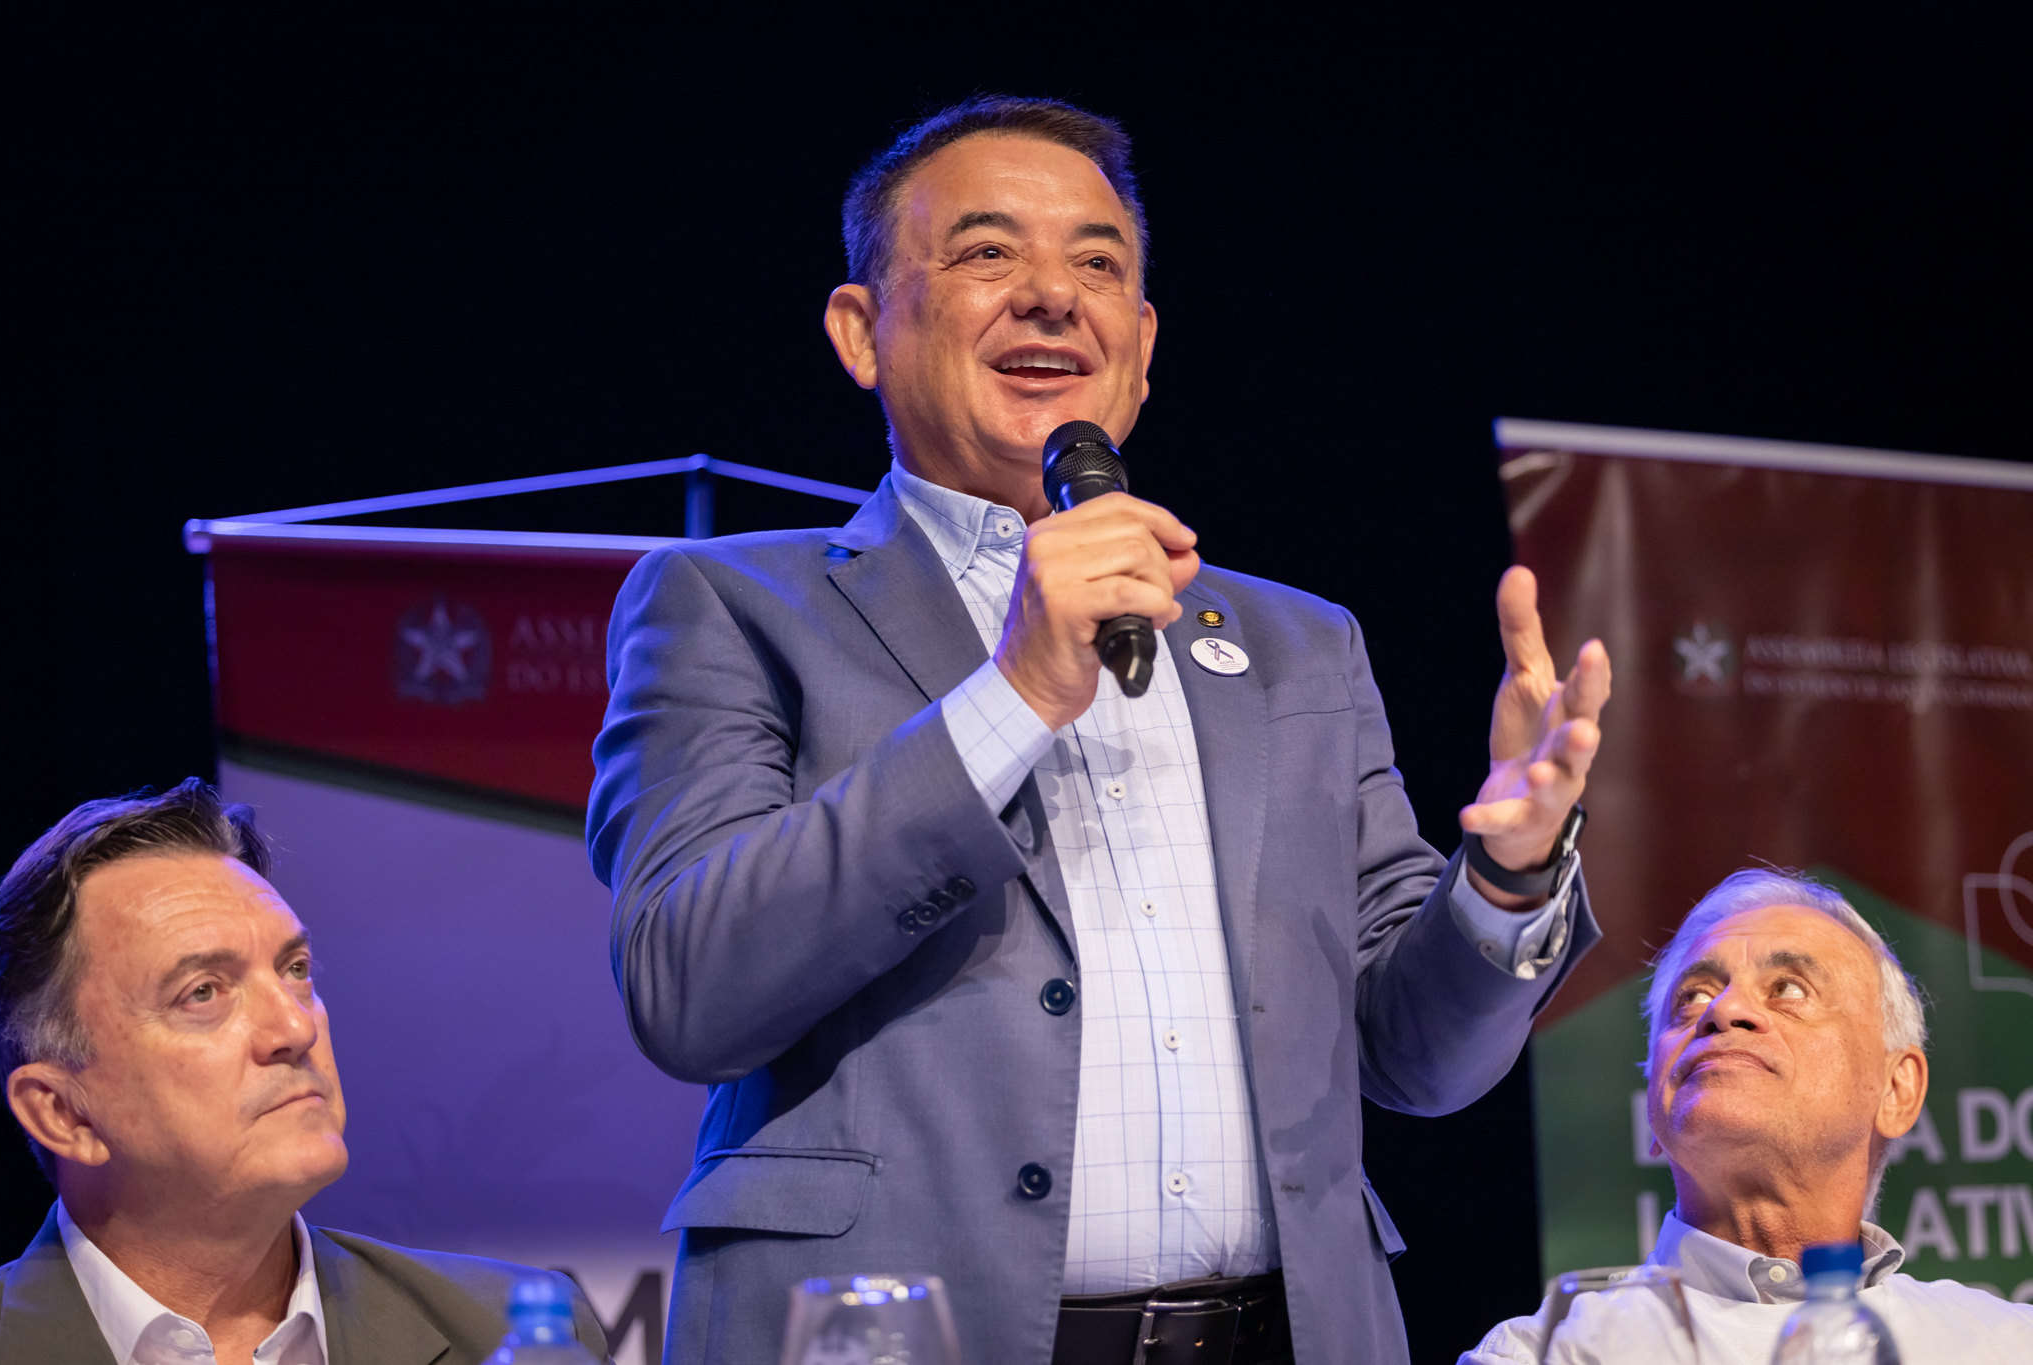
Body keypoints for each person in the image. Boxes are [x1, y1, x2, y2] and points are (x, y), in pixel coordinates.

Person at [588, 96, 1612, 1365]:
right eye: (985, 252)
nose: (1050, 297)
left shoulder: (1298, 644)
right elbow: (689, 990)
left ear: (1141, 342)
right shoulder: (731, 604)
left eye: (1097, 264)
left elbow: (1415, 1061)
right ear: (860, 331)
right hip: (905, 1339)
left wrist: (1507, 874)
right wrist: (1012, 693)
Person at [0, 779, 610, 1364]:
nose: (295, 1027)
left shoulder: (509, 1337)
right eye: (203, 992)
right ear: (63, 1113)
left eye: (296, 970)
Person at [1463, 869, 2033, 1363]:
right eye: (1691, 997)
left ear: (1895, 1090)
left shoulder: (2009, 1344)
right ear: (1654, 1110)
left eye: (1788, 988)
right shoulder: (1547, 1353)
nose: (1723, 1009)